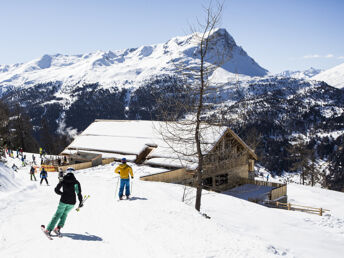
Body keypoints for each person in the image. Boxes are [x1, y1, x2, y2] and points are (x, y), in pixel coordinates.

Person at [43, 172, 83, 236]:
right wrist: (80, 202)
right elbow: (78, 193)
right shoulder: (76, 182)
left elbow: (56, 190)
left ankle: (48, 230)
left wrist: (62, 194)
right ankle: (58, 228)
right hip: (72, 202)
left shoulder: (63, 181)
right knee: (64, 214)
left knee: (58, 214)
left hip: (64, 201)